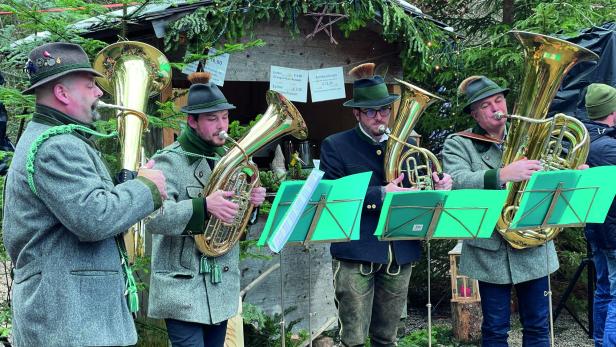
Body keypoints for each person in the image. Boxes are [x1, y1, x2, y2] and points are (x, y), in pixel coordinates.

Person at [2, 42, 167, 347]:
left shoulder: (56, 140)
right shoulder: (55, 146)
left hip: (74, 319)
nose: (100, 93)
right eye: (90, 85)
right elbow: (94, 218)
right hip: (69, 323)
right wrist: (146, 188)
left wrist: (127, 189)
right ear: (63, 94)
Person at [319, 63, 452, 347]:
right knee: (353, 338)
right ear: (356, 113)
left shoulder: (409, 145)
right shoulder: (336, 145)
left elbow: (422, 189)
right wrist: (380, 193)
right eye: (370, 112)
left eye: (384, 110)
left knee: (387, 337)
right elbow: (334, 196)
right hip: (357, 251)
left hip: (400, 251)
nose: (380, 117)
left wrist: (438, 187)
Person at [145, 72, 266, 347]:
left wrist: (251, 203)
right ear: (192, 121)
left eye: (224, 117)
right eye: (212, 119)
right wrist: (204, 206)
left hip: (219, 286)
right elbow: (153, 218)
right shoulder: (169, 161)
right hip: (182, 290)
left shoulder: (230, 160)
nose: (222, 126)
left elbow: (234, 223)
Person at [442, 75, 561, 346]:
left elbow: (551, 173)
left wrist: (569, 175)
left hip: (532, 244)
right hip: (490, 250)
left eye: (499, 100)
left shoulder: (533, 137)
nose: (497, 107)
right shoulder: (459, 143)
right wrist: (502, 174)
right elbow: (456, 180)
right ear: (474, 113)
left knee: (539, 327)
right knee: (495, 329)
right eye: (486, 105)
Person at [581, 83, 616, 347]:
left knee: (604, 290)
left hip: (597, 230)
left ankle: (599, 341)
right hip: (613, 234)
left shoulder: (588, 139)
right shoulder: (607, 147)